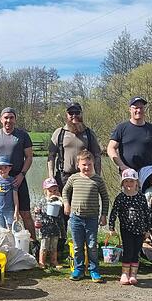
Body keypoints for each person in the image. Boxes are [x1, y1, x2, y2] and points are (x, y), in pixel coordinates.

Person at [47, 101, 102, 259]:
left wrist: (97, 176)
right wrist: (51, 177)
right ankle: (59, 248)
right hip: (63, 177)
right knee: (61, 213)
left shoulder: (89, 134)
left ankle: (84, 247)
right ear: (67, 115)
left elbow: (97, 155)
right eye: (71, 113)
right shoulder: (59, 132)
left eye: (77, 113)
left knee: (84, 211)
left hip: (85, 179)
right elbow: (51, 156)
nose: (74, 116)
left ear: (81, 114)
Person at [0, 107, 36, 240]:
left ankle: (33, 244)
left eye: (11, 117)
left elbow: (29, 157)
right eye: (6, 117)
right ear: (1, 119)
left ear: (15, 119)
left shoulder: (23, 136)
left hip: (17, 179)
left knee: (25, 213)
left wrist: (22, 174)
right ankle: (3, 245)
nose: (8, 120)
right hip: (0, 181)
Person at [63, 150, 108, 282]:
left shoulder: (98, 180)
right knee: (77, 246)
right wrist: (66, 204)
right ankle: (79, 269)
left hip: (92, 218)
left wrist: (104, 215)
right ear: (78, 165)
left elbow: (105, 198)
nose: (86, 167)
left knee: (92, 246)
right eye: (84, 164)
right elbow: (65, 190)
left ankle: (94, 270)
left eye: (89, 164)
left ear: (93, 164)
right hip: (76, 218)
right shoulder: (74, 178)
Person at [109, 169, 151, 285]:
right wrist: (111, 227)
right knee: (128, 250)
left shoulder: (141, 197)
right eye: (126, 181)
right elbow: (114, 212)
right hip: (126, 229)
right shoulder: (120, 197)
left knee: (136, 251)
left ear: (136, 183)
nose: (129, 184)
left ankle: (133, 274)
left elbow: (147, 213)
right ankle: (124, 274)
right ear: (122, 183)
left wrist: (147, 229)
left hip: (140, 229)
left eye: (131, 181)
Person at [107, 97, 152, 173]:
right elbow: (111, 148)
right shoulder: (121, 128)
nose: (138, 110)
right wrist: (121, 165)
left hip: (148, 174)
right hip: (128, 174)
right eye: (135, 108)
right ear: (130, 110)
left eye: (141, 108)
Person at [33, 178, 62, 268]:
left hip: (55, 227)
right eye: (50, 191)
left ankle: (54, 261)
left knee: (54, 246)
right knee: (44, 246)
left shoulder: (58, 200)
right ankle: (41, 262)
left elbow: (62, 212)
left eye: (55, 190)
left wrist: (60, 198)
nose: (52, 193)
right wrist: (36, 213)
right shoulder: (42, 201)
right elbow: (37, 212)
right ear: (45, 191)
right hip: (45, 227)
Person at [0, 155, 18, 229]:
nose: (3, 170)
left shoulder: (12, 180)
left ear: (10, 168)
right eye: (0, 168)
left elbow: (15, 197)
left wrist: (16, 211)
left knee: (11, 230)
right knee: (0, 230)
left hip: (10, 211)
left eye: (5, 167)